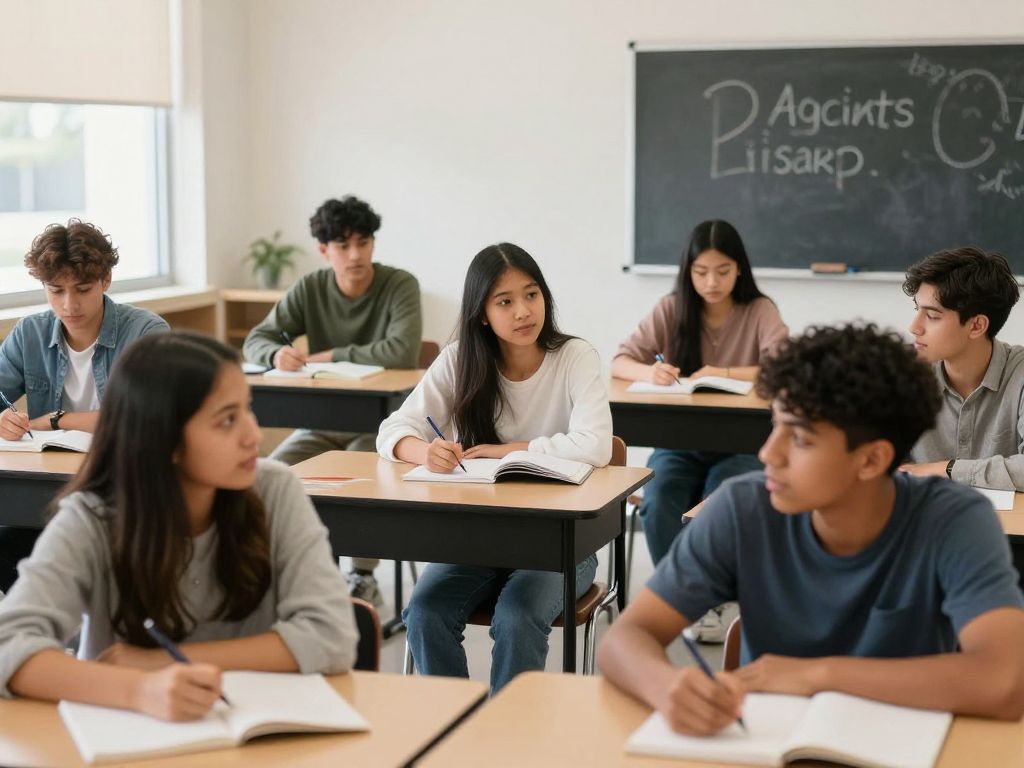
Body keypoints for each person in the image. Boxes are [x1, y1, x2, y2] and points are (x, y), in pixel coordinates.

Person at [597, 323, 1024, 735]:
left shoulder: (955, 521)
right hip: (766, 743)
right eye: (775, 424)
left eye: (800, 439)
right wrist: (667, 687)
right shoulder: (741, 509)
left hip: (899, 745)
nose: (768, 453)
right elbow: (625, 639)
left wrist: (819, 674)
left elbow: (1004, 682)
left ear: (872, 460)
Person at [0, 332, 358, 720]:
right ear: (164, 439)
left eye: (247, 410)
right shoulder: (92, 517)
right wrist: (140, 690)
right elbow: (8, 645)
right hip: (125, 739)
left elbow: (332, 637)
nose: (253, 435)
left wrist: (156, 662)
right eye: (226, 421)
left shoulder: (274, 490)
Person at [377, 242, 612, 693]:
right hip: (481, 537)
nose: (523, 311)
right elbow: (394, 427)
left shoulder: (575, 357)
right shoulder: (459, 360)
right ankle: (455, 731)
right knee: (425, 611)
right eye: (505, 302)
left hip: (563, 543)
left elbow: (597, 446)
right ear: (482, 313)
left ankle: (510, 742)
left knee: (519, 616)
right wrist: (420, 451)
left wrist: (511, 451)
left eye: (532, 295)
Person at [611, 219, 787, 642]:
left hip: (741, 445)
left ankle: (720, 599)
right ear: (687, 271)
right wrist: (649, 372)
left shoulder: (760, 310)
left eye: (722, 271)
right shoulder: (671, 307)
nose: (712, 282)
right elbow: (619, 360)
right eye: (701, 272)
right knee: (659, 496)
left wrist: (722, 371)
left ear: (739, 269)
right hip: (679, 443)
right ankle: (680, 598)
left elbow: (785, 367)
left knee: (722, 497)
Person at [243, 195, 422, 605]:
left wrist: (330, 355)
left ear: (374, 244)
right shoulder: (310, 288)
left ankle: (361, 578)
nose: (355, 254)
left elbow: (403, 351)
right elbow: (256, 339)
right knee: (265, 478)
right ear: (324, 250)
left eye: (363, 242)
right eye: (343, 246)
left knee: (362, 484)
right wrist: (275, 355)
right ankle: (293, 576)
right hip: (320, 424)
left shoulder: (400, 285)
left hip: (381, 430)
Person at [0, 219, 168, 592]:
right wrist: (2, 419)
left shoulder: (146, 332)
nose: (69, 304)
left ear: (106, 280)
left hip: (126, 485)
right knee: (6, 539)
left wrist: (59, 420)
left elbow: (148, 415)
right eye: (55, 290)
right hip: (50, 484)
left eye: (83, 289)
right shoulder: (29, 332)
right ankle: (57, 635)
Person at [901, 247, 1024, 491]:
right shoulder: (901, 372)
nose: (914, 327)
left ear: (977, 325)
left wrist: (946, 469)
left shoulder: (1019, 374)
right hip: (923, 522)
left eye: (932, 316)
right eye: (917, 310)